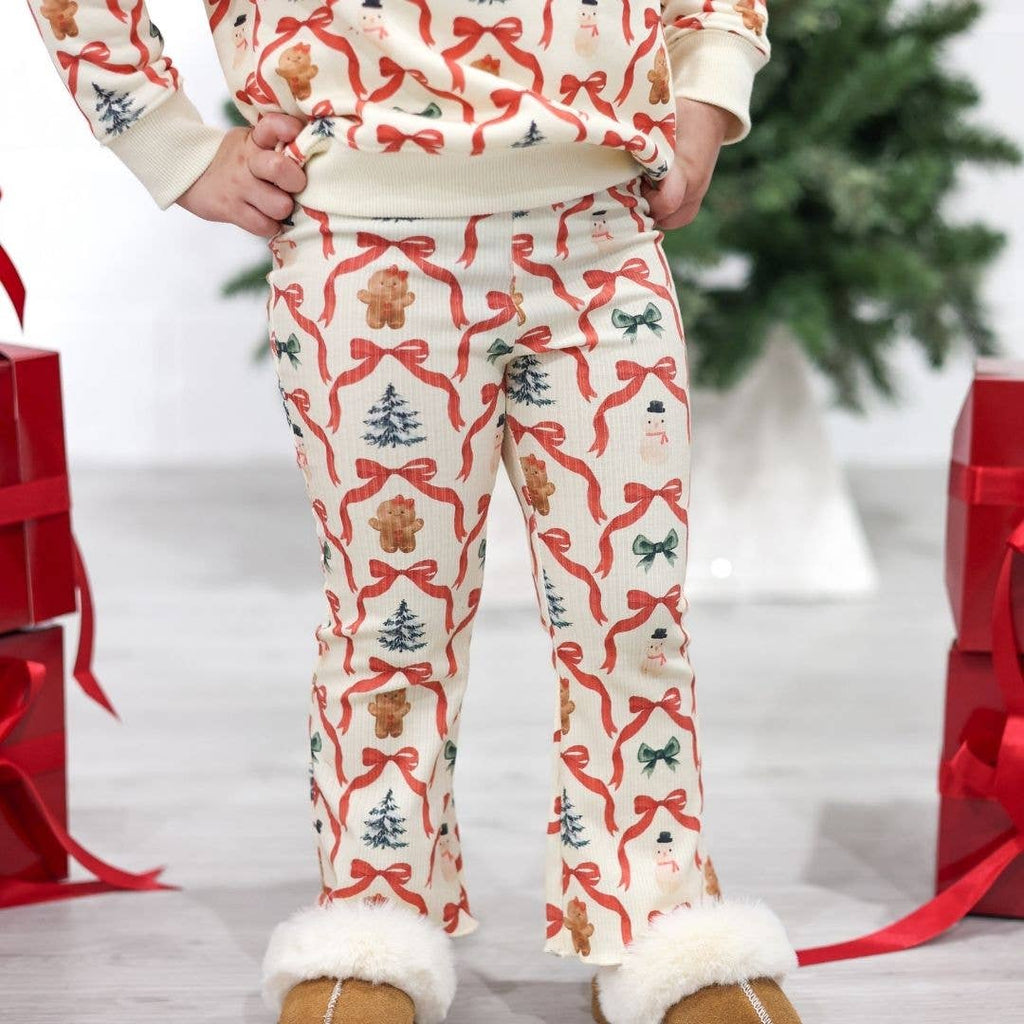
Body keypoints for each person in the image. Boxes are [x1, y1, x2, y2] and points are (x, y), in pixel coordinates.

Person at [27, 3, 803, 1023]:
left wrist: (704, 90)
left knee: (631, 608)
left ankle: (660, 916)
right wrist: (171, 146)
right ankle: (373, 916)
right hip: (362, 242)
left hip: (599, 242)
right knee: (393, 615)